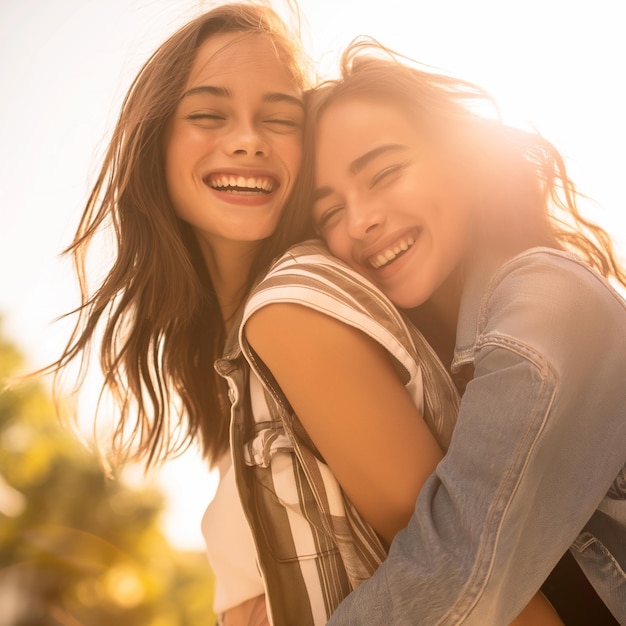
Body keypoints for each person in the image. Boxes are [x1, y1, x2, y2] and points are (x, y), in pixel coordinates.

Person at [289, 39, 624, 625]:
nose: (361, 219)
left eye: (385, 172)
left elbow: (454, 574)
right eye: (330, 212)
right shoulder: (429, 365)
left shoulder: (546, 305)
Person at [42, 3, 312, 624]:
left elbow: (451, 566)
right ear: (156, 140)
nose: (247, 139)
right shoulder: (230, 348)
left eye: (280, 118)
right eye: (208, 115)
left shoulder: (298, 312)